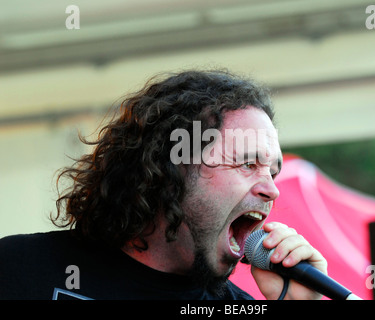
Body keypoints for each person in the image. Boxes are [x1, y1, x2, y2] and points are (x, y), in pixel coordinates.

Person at [0, 69, 327, 300]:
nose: (272, 189)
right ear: (170, 169)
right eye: (247, 163)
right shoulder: (19, 268)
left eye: (272, 171)